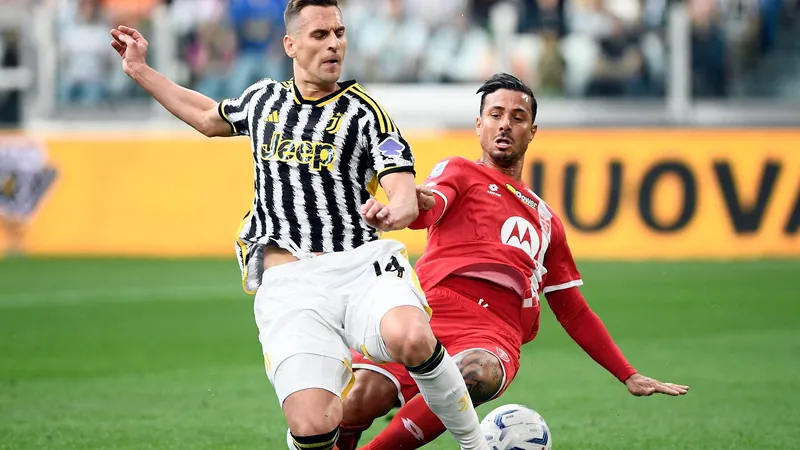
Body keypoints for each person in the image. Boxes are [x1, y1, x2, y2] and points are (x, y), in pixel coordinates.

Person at [109, 1, 490, 450]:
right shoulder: (262, 100)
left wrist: (396, 211)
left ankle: (476, 445)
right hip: (291, 283)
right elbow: (208, 118)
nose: (334, 44)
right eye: (320, 35)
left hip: (362, 267)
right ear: (290, 44)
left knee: (411, 336)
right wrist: (140, 70)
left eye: (339, 33)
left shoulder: (365, 113)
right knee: (313, 426)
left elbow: (403, 188)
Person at [335, 73, 690, 450]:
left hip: (492, 332)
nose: (505, 124)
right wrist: (410, 204)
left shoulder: (546, 220)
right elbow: (431, 204)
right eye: (496, 115)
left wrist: (627, 374)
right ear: (479, 124)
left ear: (532, 131)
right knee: (357, 399)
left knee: (474, 373)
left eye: (517, 117)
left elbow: (572, 310)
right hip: (430, 311)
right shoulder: (459, 171)